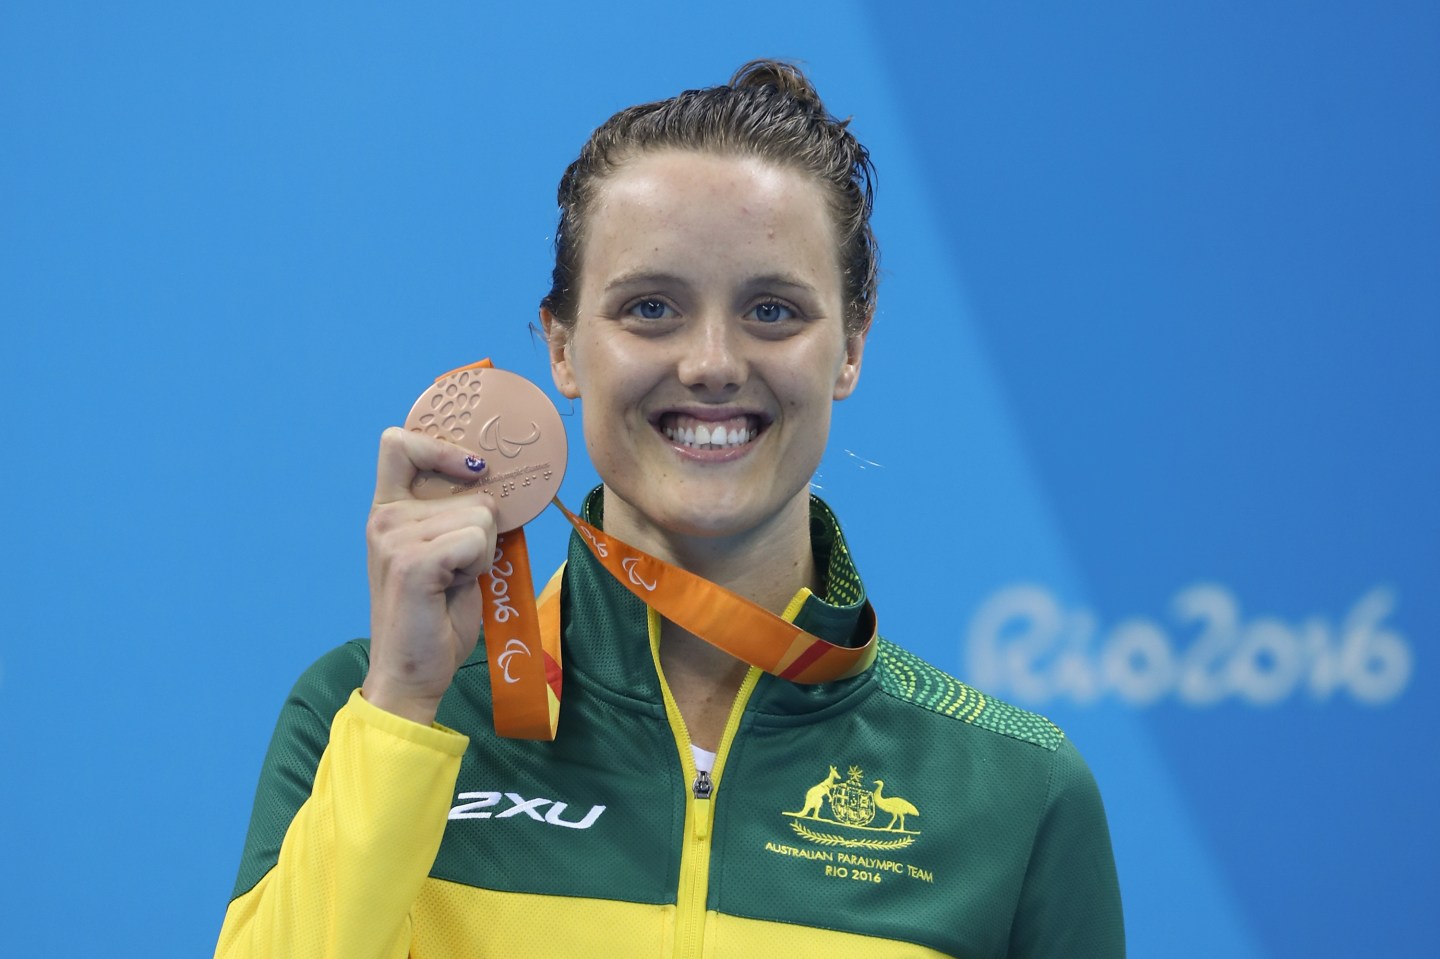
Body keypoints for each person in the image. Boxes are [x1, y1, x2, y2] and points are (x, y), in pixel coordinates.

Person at [214, 60, 1124, 958]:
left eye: (773, 309)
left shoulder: (1011, 789)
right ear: (564, 347)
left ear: (852, 344)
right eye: (652, 308)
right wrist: (405, 705)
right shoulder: (362, 712)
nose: (713, 363)